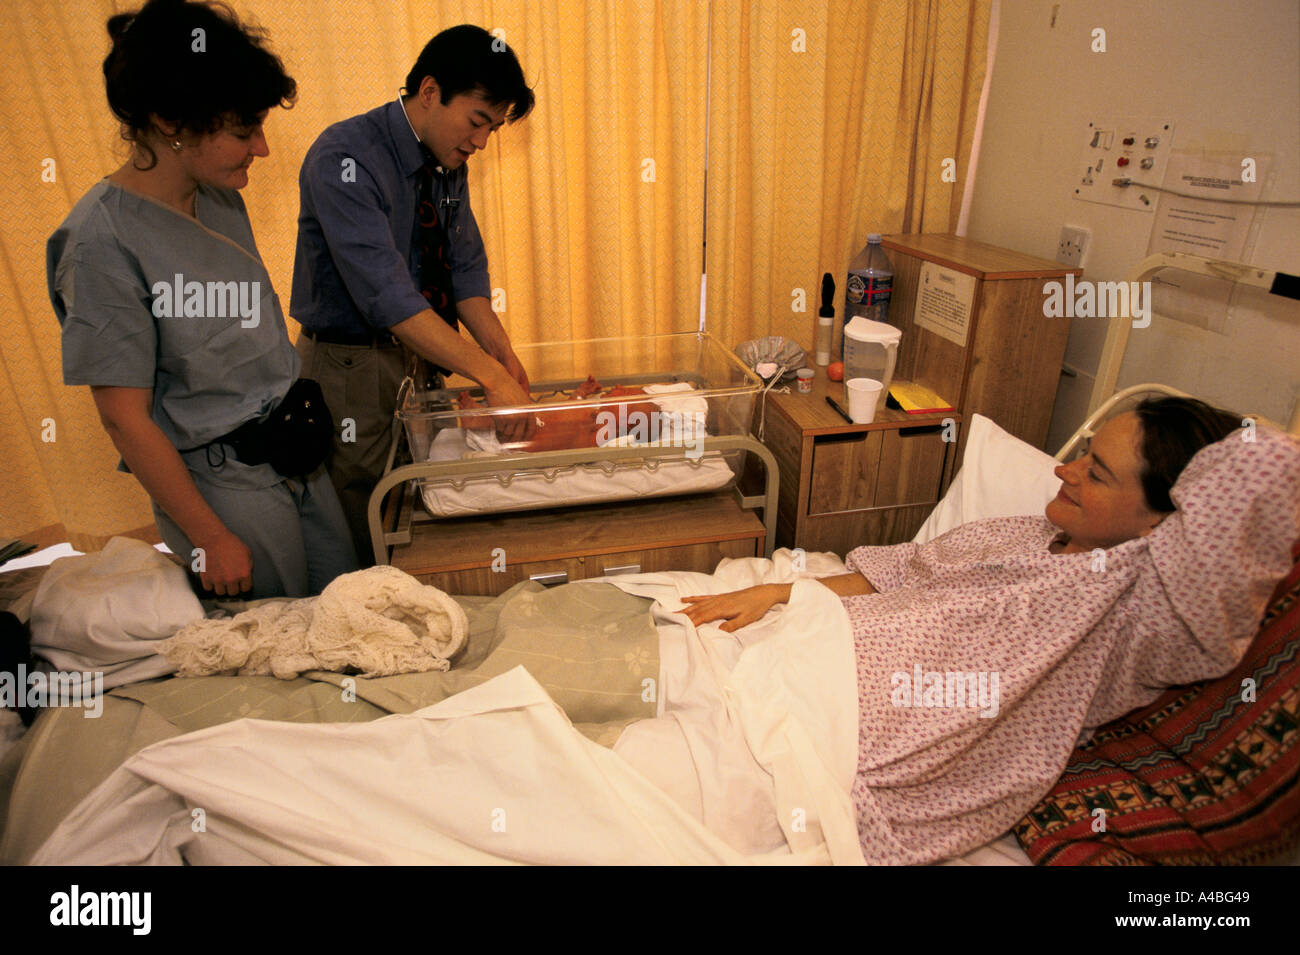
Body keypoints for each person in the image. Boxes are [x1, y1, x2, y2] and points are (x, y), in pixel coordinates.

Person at [684, 397, 1300, 863]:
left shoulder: (1141, 608)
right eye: (1083, 451)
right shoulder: (1022, 532)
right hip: (811, 653)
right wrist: (776, 592)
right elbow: (895, 570)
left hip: (877, 739)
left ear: (1163, 528)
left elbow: (1269, 469)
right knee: (656, 675)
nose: (1065, 469)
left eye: (1098, 472)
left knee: (671, 780)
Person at [47, 0, 358, 599]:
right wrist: (210, 536)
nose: (261, 149)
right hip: (225, 485)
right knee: (276, 647)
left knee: (348, 610)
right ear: (170, 121)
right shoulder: (101, 243)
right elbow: (123, 416)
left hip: (294, 449)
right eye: (243, 131)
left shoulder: (216, 198)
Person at [291, 24, 535, 564]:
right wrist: (489, 376)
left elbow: (464, 269)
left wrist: (502, 355)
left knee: (422, 503)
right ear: (429, 92)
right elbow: (388, 296)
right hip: (352, 363)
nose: (480, 142)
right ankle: (354, 618)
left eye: (493, 129)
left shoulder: (446, 160)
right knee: (361, 511)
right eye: (477, 121)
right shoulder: (345, 158)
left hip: (420, 354)